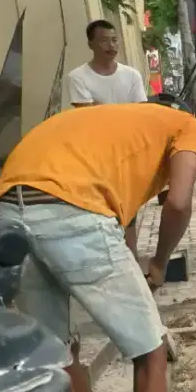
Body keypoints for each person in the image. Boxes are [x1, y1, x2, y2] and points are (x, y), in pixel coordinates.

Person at [0, 96, 196, 392]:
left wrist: (136, 269)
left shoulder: (117, 127)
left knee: (59, 347)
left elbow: (122, 217)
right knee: (150, 350)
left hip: (9, 206)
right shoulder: (184, 124)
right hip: (71, 210)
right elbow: (179, 202)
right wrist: (160, 262)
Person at [67, 19, 150, 256]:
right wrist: (121, 113)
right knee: (101, 208)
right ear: (91, 44)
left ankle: (131, 256)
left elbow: (141, 113)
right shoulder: (77, 77)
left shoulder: (131, 75)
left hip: (127, 151)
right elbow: (87, 114)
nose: (111, 45)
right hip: (94, 155)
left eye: (114, 40)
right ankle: (106, 256)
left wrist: (101, 108)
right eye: (104, 40)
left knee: (129, 207)